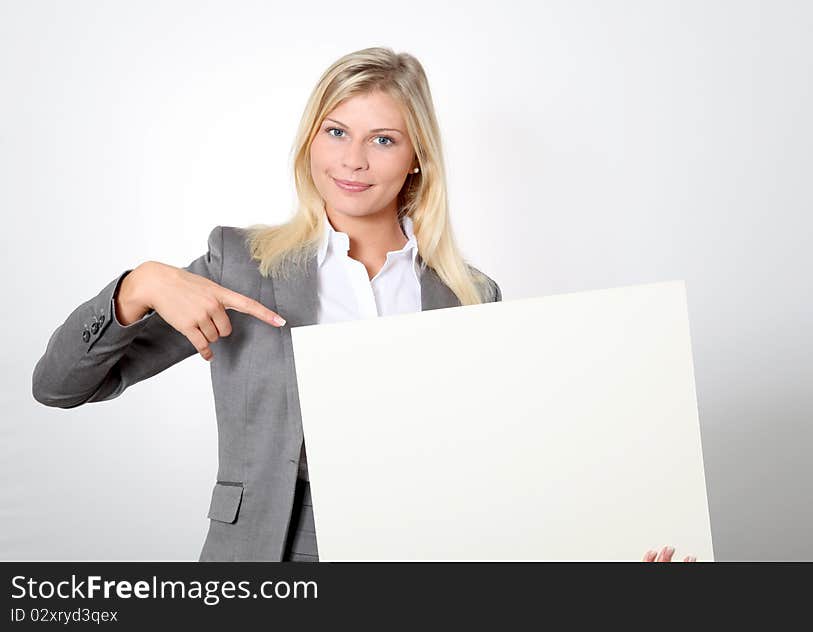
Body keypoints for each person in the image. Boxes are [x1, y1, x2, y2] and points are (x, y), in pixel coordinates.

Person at [32, 46, 695, 563]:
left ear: (417, 159)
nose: (353, 160)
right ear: (309, 140)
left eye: (383, 139)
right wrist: (136, 287)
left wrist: (616, 543)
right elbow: (58, 387)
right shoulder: (242, 265)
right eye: (336, 131)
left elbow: (507, 480)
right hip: (271, 557)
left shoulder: (472, 296)